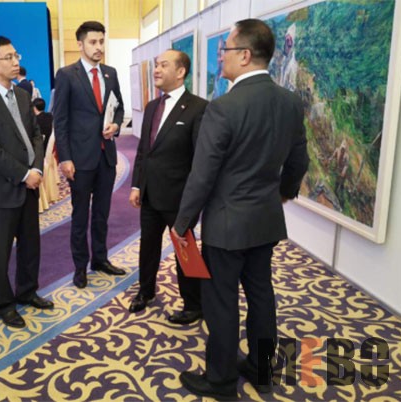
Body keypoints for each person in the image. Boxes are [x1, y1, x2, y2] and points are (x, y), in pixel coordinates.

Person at [171, 19, 309, 399]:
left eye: (226, 50)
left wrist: (182, 224)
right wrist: (283, 194)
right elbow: (299, 162)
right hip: (265, 221)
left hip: (226, 226)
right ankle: (262, 371)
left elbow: (202, 175)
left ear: (245, 55)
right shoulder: (290, 102)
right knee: (262, 295)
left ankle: (220, 381)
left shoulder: (223, 107)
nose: (221, 57)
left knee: (222, 302)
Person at [0, 36, 53, 329]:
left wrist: (36, 168)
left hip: (30, 184)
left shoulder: (23, 95)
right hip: (2, 187)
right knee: (0, 252)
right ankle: (4, 304)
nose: (16, 62)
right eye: (9, 57)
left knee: (30, 245)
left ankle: (27, 291)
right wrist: (24, 174)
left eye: (17, 56)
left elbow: (36, 135)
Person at [128, 49, 208, 324]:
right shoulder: (152, 106)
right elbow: (144, 150)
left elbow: (200, 159)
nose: (157, 70)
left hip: (179, 197)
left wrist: (193, 200)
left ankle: (194, 304)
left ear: (181, 71)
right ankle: (146, 291)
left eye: (163, 65)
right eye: (156, 65)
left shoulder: (198, 107)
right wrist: (136, 185)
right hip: (150, 194)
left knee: (186, 250)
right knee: (147, 247)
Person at [53, 21, 125, 288]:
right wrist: (65, 158)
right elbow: (60, 120)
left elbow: (119, 107)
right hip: (80, 159)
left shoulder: (110, 73)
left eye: (102, 42)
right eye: (93, 42)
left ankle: (100, 259)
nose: (99, 47)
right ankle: (80, 267)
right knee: (80, 216)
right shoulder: (66, 75)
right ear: (80, 44)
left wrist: (116, 125)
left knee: (102, 214)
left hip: (106, 157)